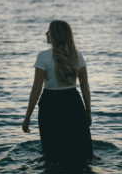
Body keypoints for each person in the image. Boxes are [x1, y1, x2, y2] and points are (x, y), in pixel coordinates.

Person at [22, 20, 93, 160]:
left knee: (51, 151)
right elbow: (85, 87)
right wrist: (88, 112)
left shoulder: (43, 56)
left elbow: (36, 90)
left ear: (56, 35)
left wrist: (27, 117)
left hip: (50, 104)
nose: (46, 34)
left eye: (49, 31)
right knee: (79, 149)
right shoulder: (78, 56)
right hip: (74, 103)